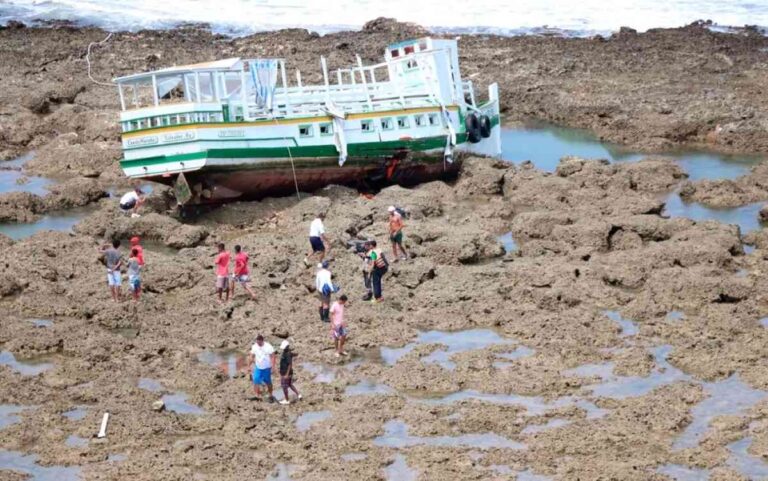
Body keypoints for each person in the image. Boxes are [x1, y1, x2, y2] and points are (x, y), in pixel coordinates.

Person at [248, 334, 276, 402]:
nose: (258, 344)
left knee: (268, 382)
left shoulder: (268, 346)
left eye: (259, 342)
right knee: (256, 380)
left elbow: (273, 357)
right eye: (257, 342)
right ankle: (257, 396)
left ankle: (270, 395)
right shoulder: (255, 346)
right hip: (258, 367)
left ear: (262, 340)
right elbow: (251, 356)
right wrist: (249, 366)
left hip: (267, 368)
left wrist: (273, 367)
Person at [278, 340, 302, 405]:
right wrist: (297, 354)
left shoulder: (287, 354)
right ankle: (298, 394)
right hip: (285, 372)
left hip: (286, 373)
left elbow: (289, 365)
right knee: (290, 384)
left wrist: (287, 374)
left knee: (284, 387)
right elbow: (294, 354)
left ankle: (287, 400)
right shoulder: (288, 353)